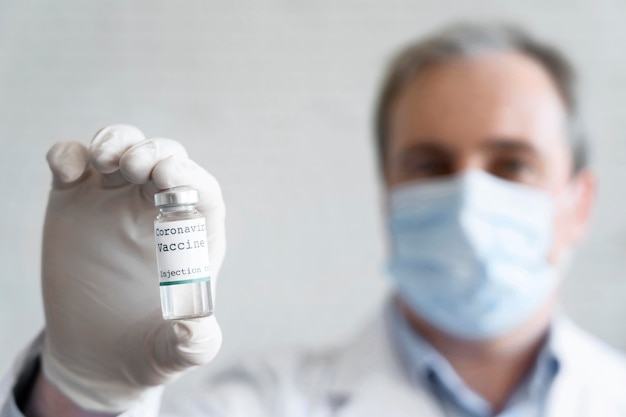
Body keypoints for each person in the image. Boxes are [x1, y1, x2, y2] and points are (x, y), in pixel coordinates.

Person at [1, 22, 625, 417]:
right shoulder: (264, 402)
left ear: (580, 204)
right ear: (388, 194)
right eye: (430, 165)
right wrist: (82, 399)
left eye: (511, 166)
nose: (468, 199)